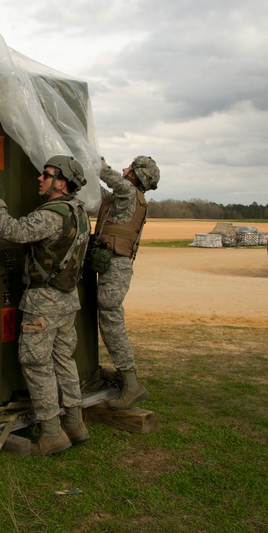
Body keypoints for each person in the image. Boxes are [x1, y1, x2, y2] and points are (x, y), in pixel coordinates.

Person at [0, 156, 91, 455]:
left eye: (46, 175)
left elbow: (14, 231)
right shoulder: (79, 211)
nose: (39, 179)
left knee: (37, 364)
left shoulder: (52, 214)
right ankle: (75, 423)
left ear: (60, 183)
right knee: (64, 361)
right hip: (67, 299)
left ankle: (50, 433)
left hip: (44, 302)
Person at [88, 156, 159, 410]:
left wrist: (93, 157)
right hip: (113, 264)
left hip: (116, 266)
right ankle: (125, 376)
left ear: (136, 176)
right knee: (108, 316)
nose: (124, 169)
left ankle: (130, 382)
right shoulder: (128, 198)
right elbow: (102, 192)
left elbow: (107, 175)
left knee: (110, 316)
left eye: (129, 167)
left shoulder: (128, 191)